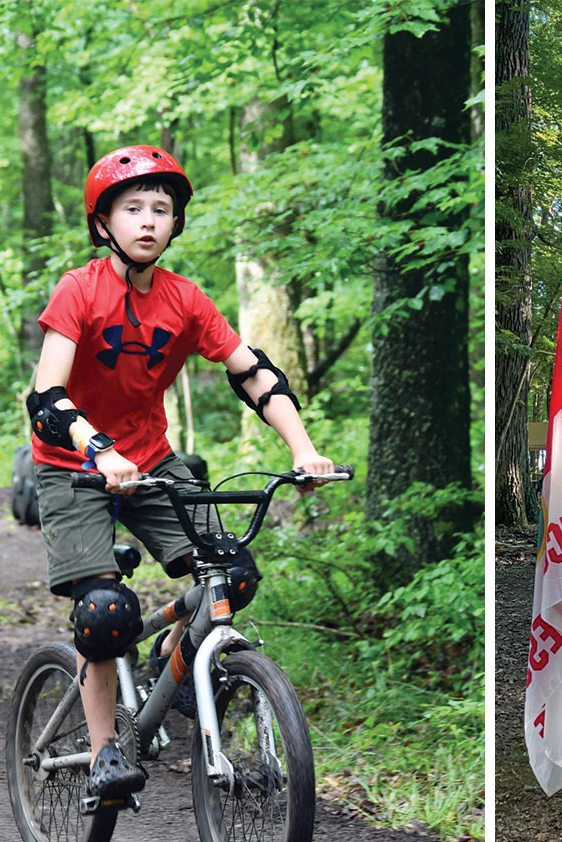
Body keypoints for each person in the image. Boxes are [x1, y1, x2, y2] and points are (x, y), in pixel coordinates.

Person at [28, 145, 333, 804]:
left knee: (233, 572)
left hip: (151, 460)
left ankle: (182, 658)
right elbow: (47, 398)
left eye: (160, 209)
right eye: (132, 207)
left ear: (175, 223)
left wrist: (305, 450)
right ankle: (108, 752)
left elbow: (253, 371)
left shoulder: (184, 300)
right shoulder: (78, 290)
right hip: (72, 464)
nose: (147, 220)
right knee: (106, 612)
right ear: (102, 222)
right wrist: (99, 449)